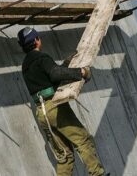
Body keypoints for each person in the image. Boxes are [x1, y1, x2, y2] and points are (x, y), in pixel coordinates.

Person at [17, 27, 105, 176]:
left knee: (65, 156)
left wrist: (66, 64)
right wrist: (81, 72)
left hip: (42, 113)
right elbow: (56, 74)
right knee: (82, 140)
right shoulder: (41, 58)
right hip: (55, 108)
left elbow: (49, 77)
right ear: (37, 40)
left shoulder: (26, 65)